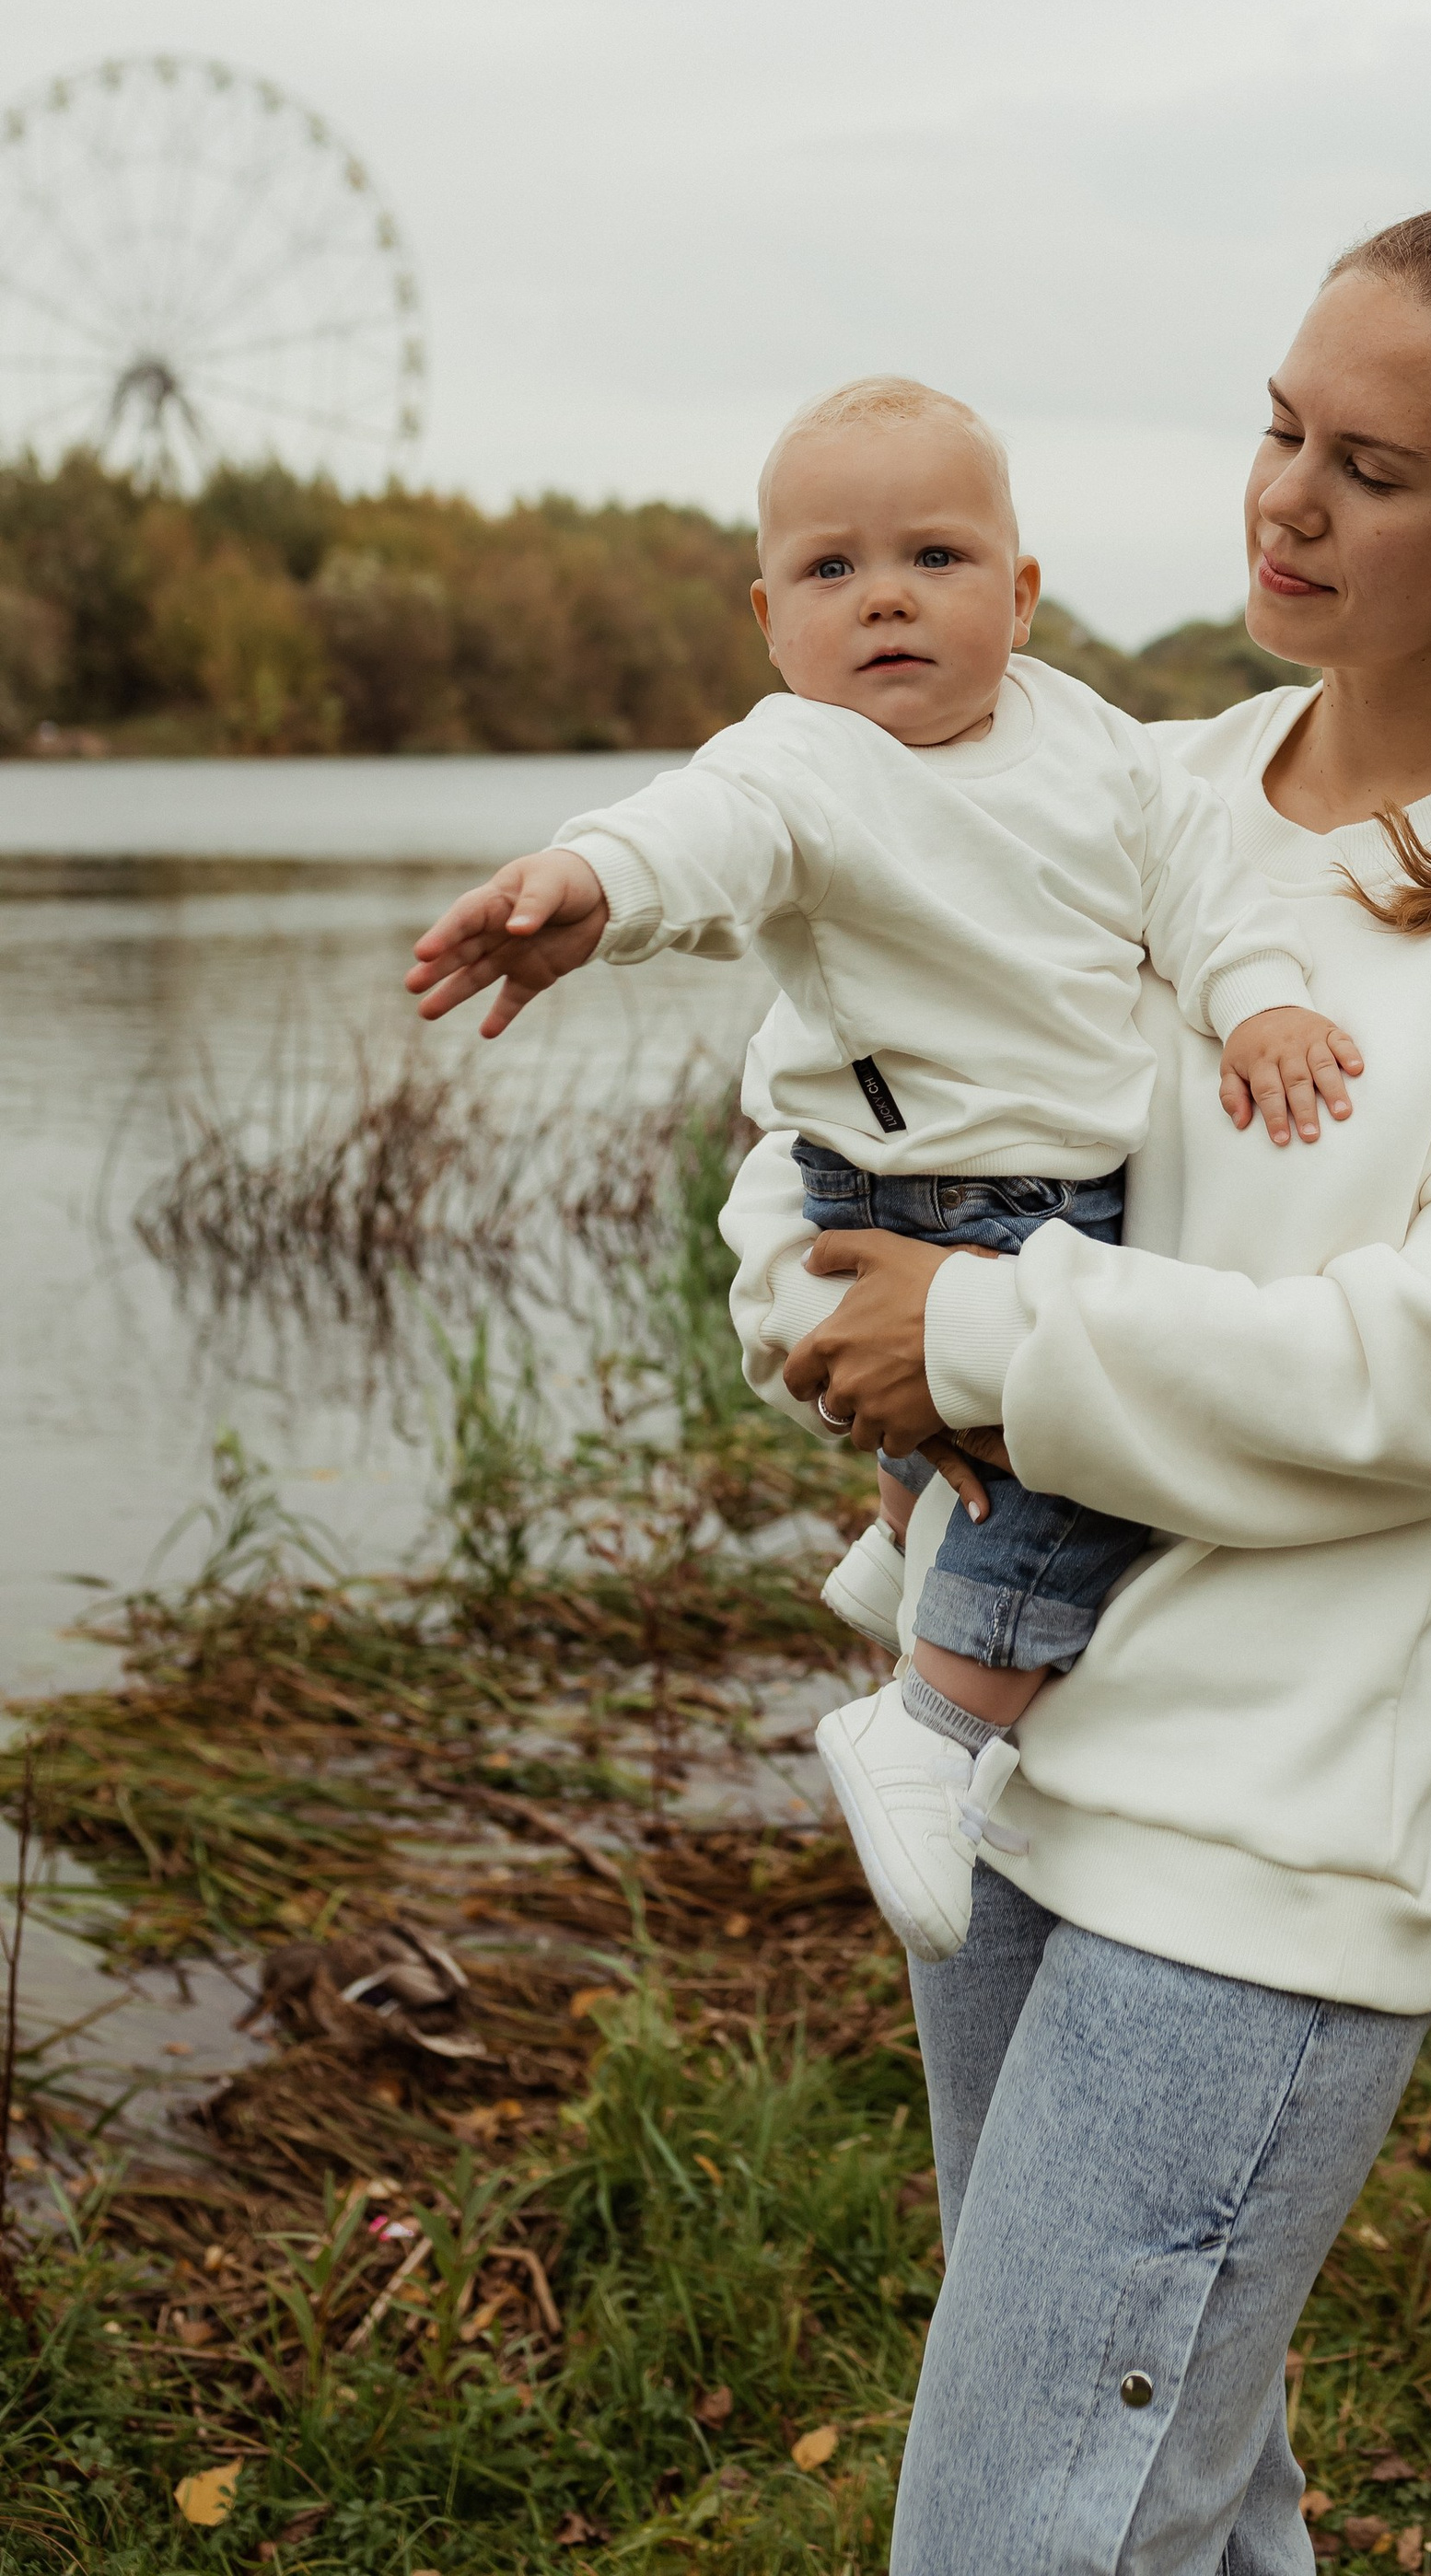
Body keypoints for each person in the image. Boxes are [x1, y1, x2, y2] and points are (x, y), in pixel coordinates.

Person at [733, 203, 1431, 2576]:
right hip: (1006, 1773)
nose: (1285, 500)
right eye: (1277, 430)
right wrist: (800, 1300)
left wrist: (970, 1337)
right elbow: (846, 1103)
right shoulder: (1137, 785)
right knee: (1166, 2511)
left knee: (1022, 2535)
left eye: (1370, 469)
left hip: (1274, 1843)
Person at [404, 375, 1362, 1961]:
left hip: (1057, 1188)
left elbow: (1200, 887)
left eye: (937, 557)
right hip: (919, 1196)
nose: (890, 601)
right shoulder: (806, 761)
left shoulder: (1098, 748)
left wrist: (1259, 1000)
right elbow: (699, 829)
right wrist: (588, 874)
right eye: (836, 573)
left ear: (1022, 593)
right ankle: (925, 1724)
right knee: (1085, 1482)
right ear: (773, 622)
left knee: (1061, 1413)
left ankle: (905, 1539)